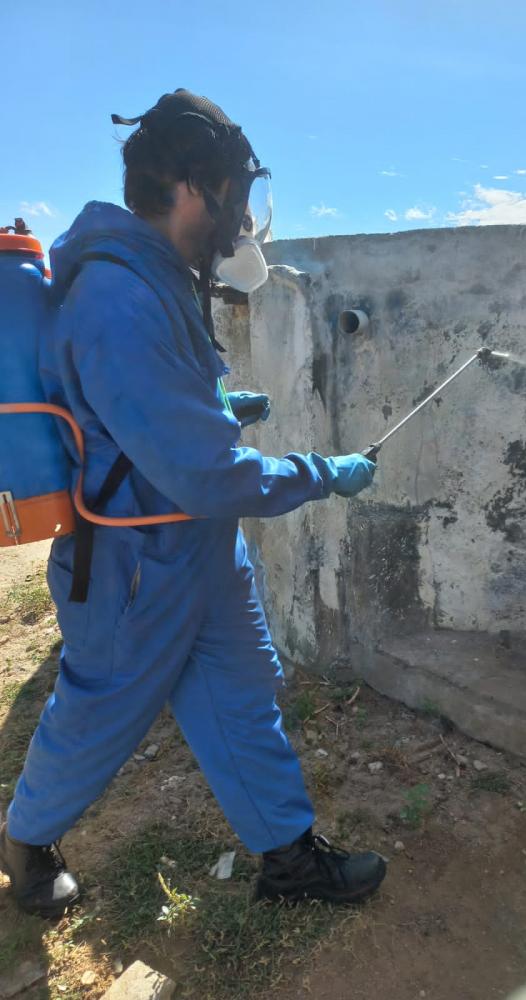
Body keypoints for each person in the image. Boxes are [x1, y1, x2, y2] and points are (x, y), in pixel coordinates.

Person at [0, 89, 386, 919]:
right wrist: (323, 472)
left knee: (240, 694)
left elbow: (157, 406)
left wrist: (221, 404)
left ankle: (287, 860)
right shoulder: (118, 296)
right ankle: (27, 841)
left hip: (197, 548)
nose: (243, 216)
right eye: (236, 194)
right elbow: (208, 473)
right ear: (189, 187)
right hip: (133, 565)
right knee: (100, 711)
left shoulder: (154, 275)